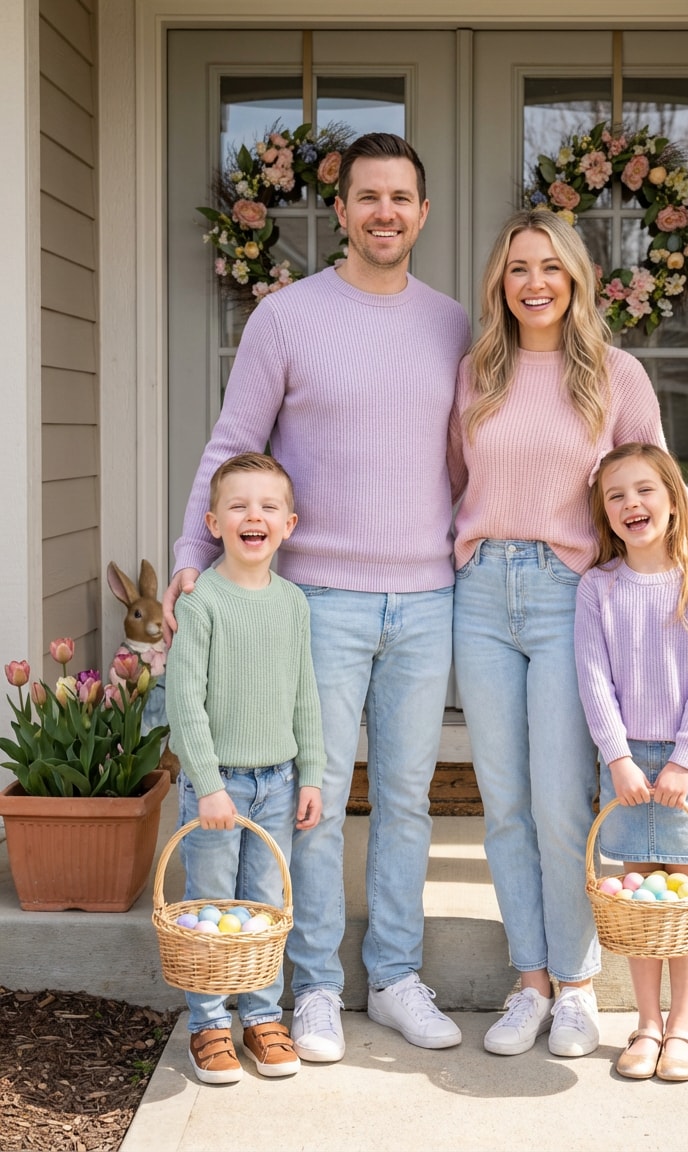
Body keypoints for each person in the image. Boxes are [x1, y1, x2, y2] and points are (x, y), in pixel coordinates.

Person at [164, 133, 471, 1062]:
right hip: (319, 599)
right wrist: (191, 549)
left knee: (411, 799)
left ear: (423, 212)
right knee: (319, 798)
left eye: (401, 198)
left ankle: (396, 975)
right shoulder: (287, 317)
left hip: (427, 597)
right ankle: (312, 991)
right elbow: (233, 444)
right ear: (338, 211)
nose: (385, 212)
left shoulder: (455, 323)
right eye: (366, 197)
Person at [447, 208, 688, 1059]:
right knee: (500, 800)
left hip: (565, 591)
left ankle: (576, 988)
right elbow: (457, 482)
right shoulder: (475, 375)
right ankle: (529, 981)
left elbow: (660, 487)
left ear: (574, 277)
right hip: (479, 592)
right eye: (516, 269)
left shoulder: (615, 376)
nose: (533, 282)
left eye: (549, 266)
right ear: (499, 284)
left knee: (558, 797)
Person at [575, 442, 688, 1082]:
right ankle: (646, 1023)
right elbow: (593, 680)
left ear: (675, 501)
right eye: (615, 496)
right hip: (627, 767)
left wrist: (684, 760)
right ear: (604, 513)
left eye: (645, 490)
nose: (631, 504)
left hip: (686, 764)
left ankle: (683, 1028)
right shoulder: (599, 588)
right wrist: (617, 758)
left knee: (685, 900)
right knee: (640, 899)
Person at [166, 452, 325, 1085]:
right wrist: (207, 785)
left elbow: (304, 694)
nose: (252, 516)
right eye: (238, 506)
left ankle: (261, 1017)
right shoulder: (202, 601)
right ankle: (208, 1026)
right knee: (211, 907)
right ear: (212, 522)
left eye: (267, 507)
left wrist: (310, 773)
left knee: (263, 907)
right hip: (220, 784)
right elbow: (185, 702)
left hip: (279, 783)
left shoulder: (292, 604)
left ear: (290, 523)